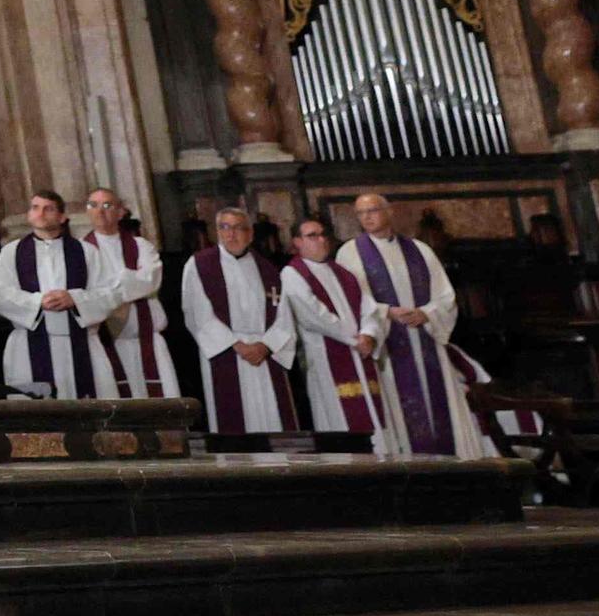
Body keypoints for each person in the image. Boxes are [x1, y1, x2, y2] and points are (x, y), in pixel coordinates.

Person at [345, 190, 494, 459]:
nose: (366, 217)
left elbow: (445, 296)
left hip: (425, 341)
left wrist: (426, 313)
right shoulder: (351, 252)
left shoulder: (420, 250)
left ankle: (451, 463)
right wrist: (387, 311)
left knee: (441, 406)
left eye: (373, 210)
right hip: (388, 345)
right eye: (361, 213)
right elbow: (352, 298)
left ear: (389, 212)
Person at [178, 203, 300, 439]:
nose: (231, 234)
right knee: (234, 426)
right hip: (227, 352)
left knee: (275, 420)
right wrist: (238, 346)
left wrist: (265, 346)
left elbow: (284, 316)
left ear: (250, 233)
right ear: (217, 232)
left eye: (238, 228)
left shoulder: (268, 269)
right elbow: (196, 313)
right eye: (224, 227)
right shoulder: (201, 265)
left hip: (265, 354)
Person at [0, 190, 126, 399]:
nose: (40, 213)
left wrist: (75, 299)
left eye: (48, 208)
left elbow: (109, 293)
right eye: (35, 208)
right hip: (29, 344)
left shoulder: (85, 251)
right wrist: (37, 302)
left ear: (62, 217)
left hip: (82, 344)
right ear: (29, 215)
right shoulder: (12, 252)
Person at [282, 214, 383, 445]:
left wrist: (369, 334)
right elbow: (313, 316)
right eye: (312, 236)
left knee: (372, 418)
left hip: (361, 352)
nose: (320, 240)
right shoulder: (293, 274)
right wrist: (354, 339)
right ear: (297, 242)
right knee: (339, 421)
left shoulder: (345, 272)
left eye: (322, 234)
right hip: (326, 357)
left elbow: (369, 307)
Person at [83, 189, 181, 398]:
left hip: (147, 341)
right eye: (94, 205)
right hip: (105, 344)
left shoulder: (141, 246)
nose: (100, 211)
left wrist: (108, 289)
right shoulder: (80, 252)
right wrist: (128, 280)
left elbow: (150, 281)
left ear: (121, 212)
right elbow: (85, 292)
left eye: (108, 205)